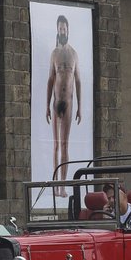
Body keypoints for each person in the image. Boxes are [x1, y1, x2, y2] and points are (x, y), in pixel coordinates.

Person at [45, 15, 82, 196]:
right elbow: (50, 80)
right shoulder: (54, 54)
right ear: (57, 30)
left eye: (64, 28)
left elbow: (78, 81)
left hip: (68, 102)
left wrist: (80, 107)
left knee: (65, 145)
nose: (62, 31)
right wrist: (46, 106)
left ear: (68, 30)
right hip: (55, 102)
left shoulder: (74, 54)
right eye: (60, 28)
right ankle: (55, 185)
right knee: (56, 145)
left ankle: (62, 187)